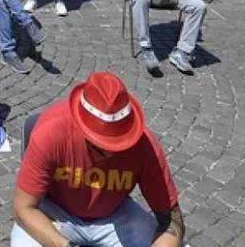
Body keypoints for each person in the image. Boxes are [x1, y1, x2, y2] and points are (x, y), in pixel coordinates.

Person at [12, 71, 186, 247]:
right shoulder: (50, 133)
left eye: (119, 144)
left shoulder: (145, 145)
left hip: (115, 215)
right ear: (81, 126)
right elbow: (23, 208)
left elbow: (172, 218)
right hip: (55, 213)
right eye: (99, 144)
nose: (109, 153)